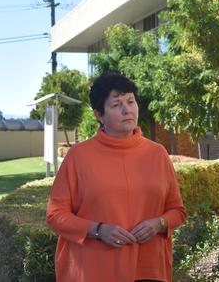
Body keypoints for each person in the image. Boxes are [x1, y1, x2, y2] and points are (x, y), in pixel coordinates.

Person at [46, 72, 187, 281]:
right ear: (99, 115)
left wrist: (159, 223)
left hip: (149, 268)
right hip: (94, 270)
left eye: (131, 101)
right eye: (116, 105)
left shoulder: (157, 153)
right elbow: (55, 215)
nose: (126, 109)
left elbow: (178, 211)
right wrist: (98, 230)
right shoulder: (79, 156)